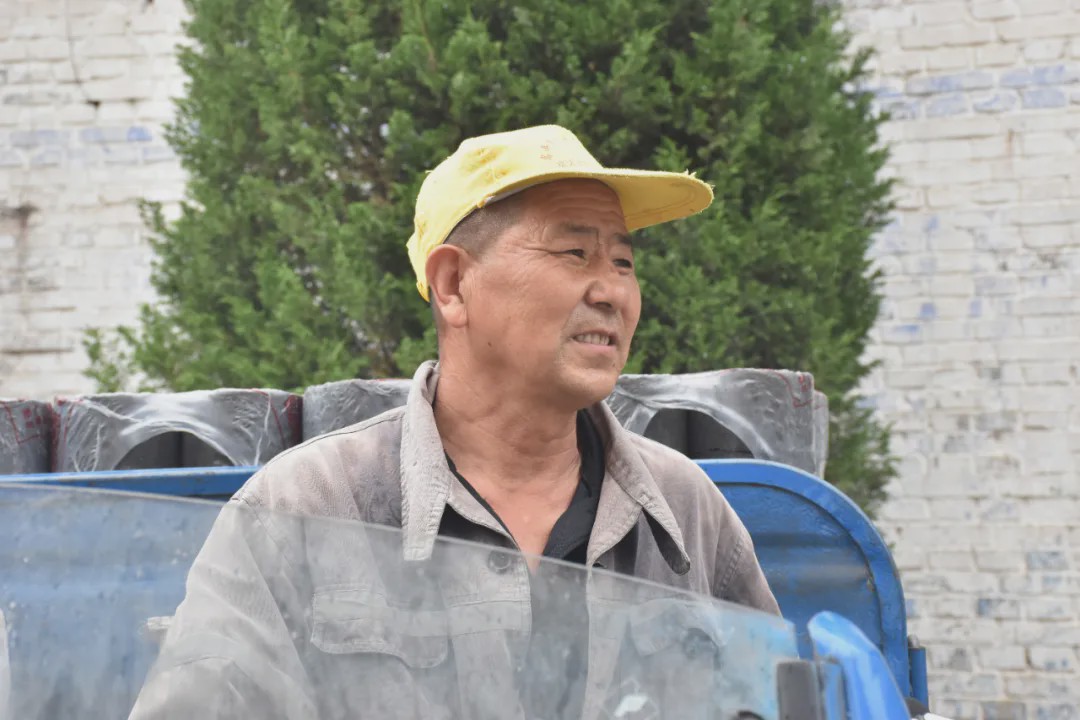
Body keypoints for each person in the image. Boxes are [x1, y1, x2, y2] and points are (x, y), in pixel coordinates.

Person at [130, 125, 779, 720]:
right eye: (575, 252)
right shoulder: (301, 510)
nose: (612, 291)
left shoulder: (688, 511)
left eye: (623, 263)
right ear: (452, 285)